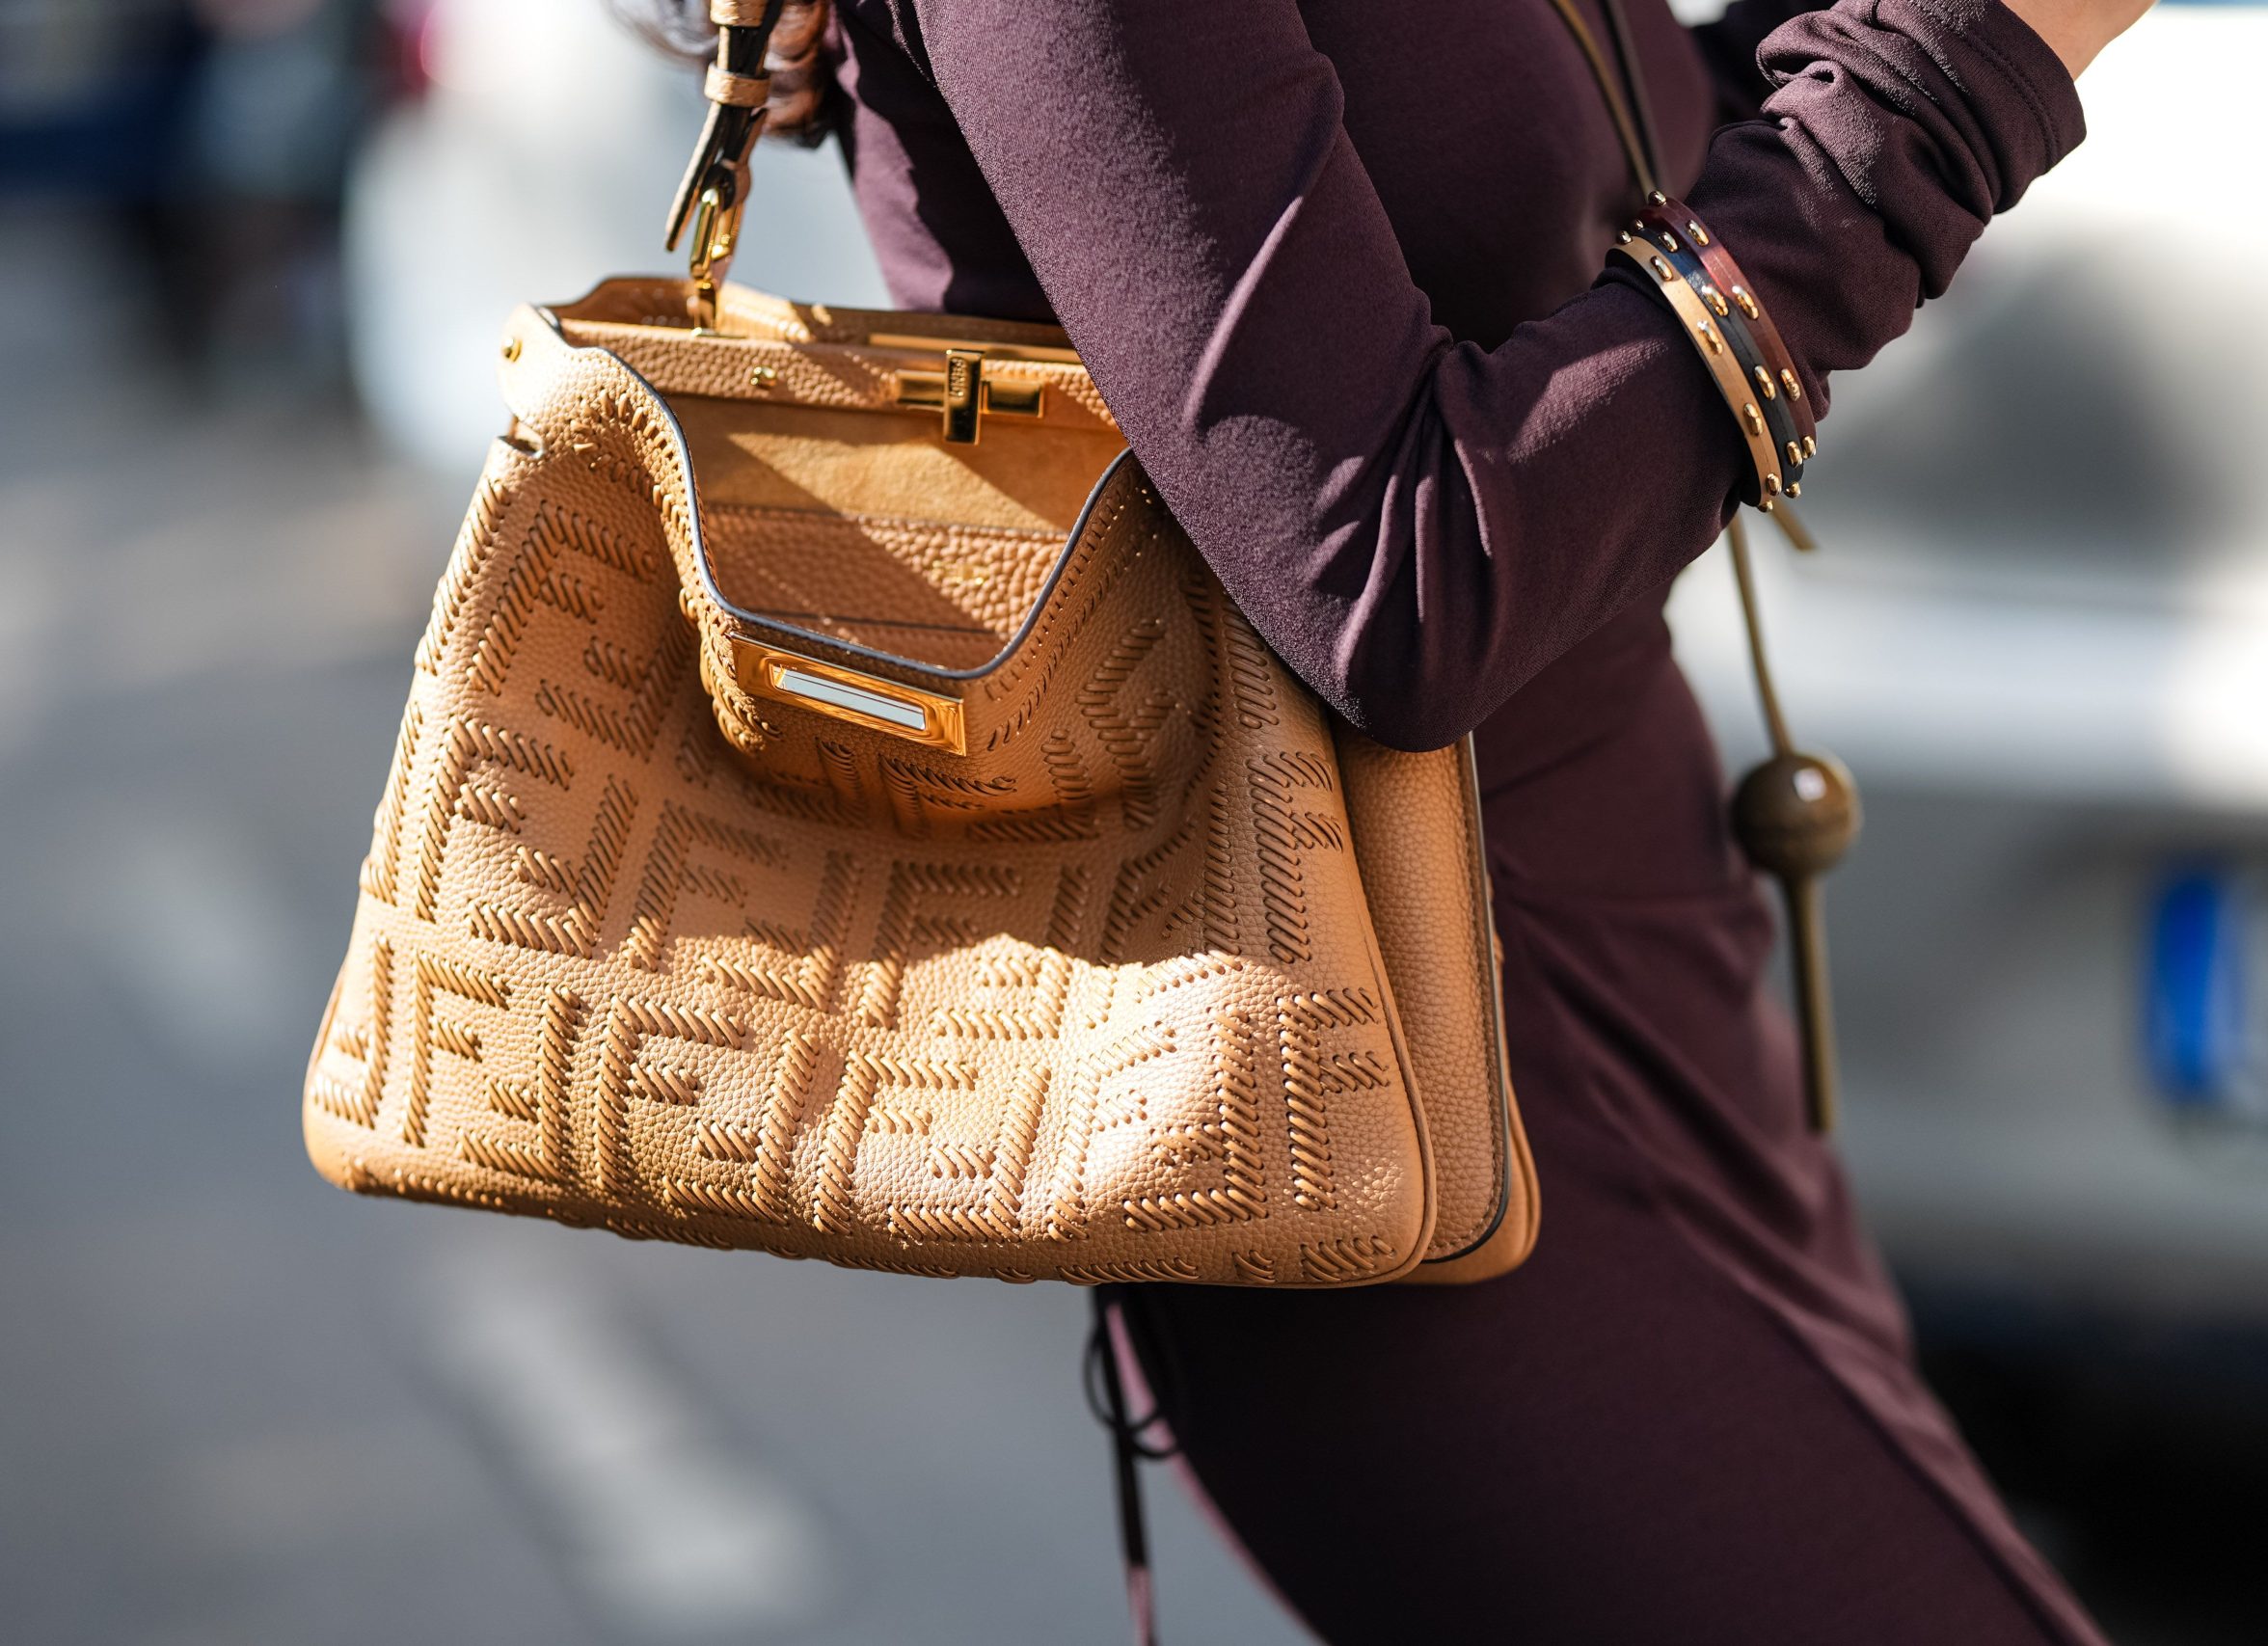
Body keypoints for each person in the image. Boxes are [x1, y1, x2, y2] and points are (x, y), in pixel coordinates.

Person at [665, 0, 2150, 1637]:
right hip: (1387, 1105)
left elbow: (1604, 150)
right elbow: (1389, 580)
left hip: (1654, 993)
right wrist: (1953, 76)